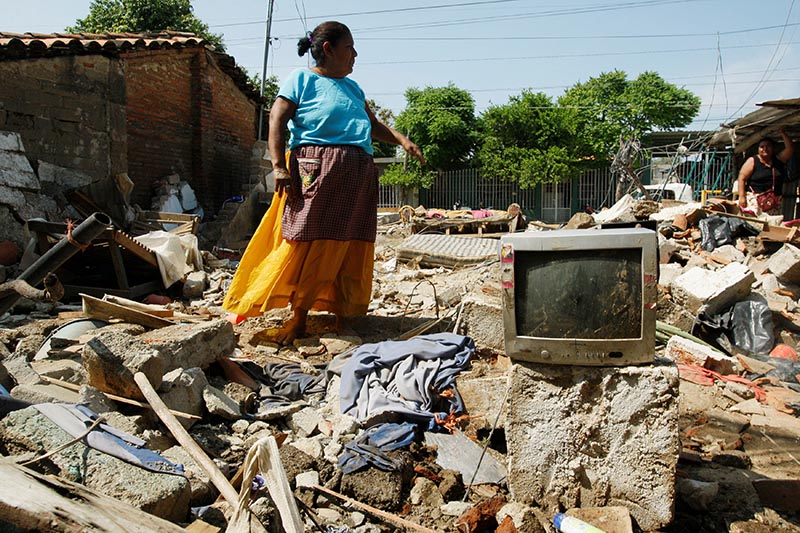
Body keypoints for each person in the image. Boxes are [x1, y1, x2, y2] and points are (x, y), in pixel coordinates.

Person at [222, 21, 425, 344]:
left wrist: (401, 140)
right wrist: (278, 167)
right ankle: (298, 317)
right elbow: (277, 118)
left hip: (357, 178)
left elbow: (371, 124)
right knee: (312, 242)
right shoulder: (301, 79)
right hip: (316, 173)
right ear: (328, 49)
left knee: (353, 244)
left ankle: (344, 315)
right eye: (349, 47)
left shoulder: (353, 88)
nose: (355, 54)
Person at [737, 129, 794, 216]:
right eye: (762, 147)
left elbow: (789, 149)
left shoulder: (778, 160)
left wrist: (782, 132)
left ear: (773, 148)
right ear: (758, 149)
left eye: (768, 146)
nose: (765, 149)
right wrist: (741, 196)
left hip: (773, 202)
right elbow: (742, 178)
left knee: (771, 225)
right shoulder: (753, 161)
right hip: (755, 200)